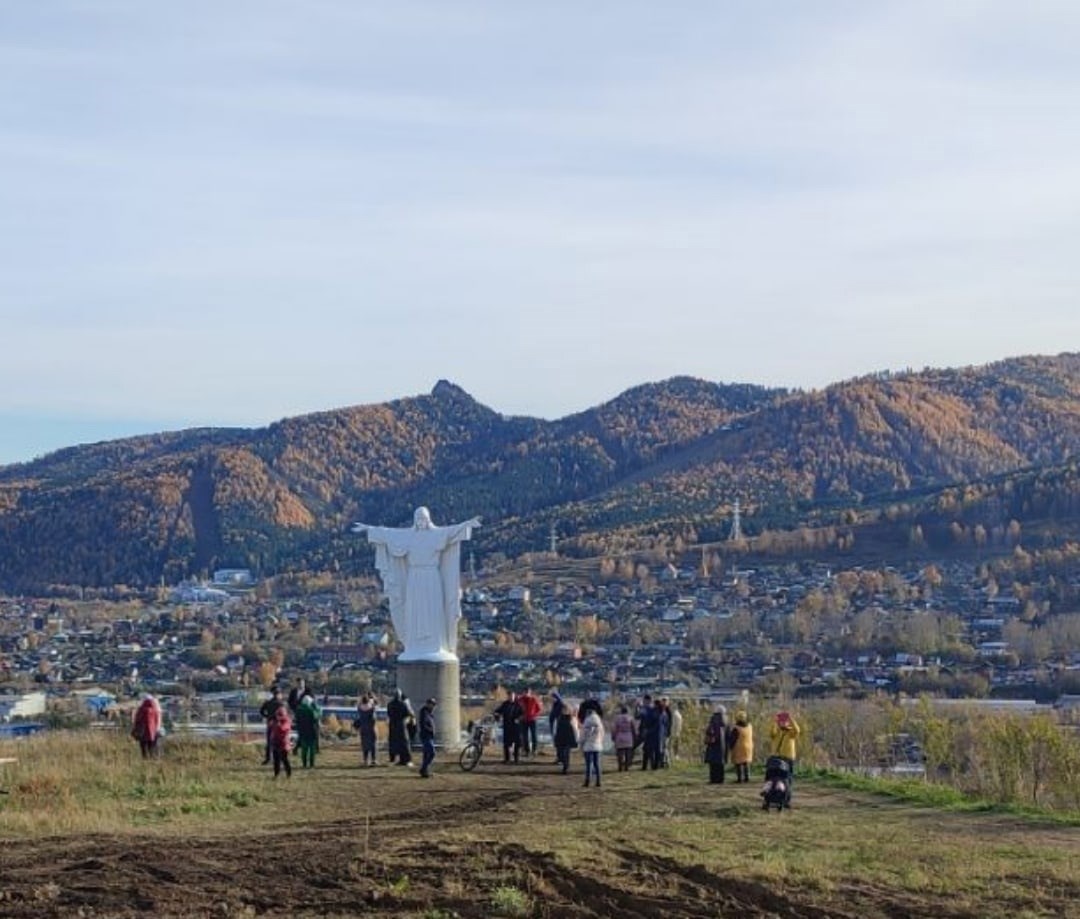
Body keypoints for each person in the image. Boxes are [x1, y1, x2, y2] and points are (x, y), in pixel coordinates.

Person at [353, 508, 480, 662]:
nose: (421, 522)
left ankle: (435, 643)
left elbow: (452, 532)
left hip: (432, 577)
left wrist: (467, 525)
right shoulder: (408, 536)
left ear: (428, 520)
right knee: (415, 609)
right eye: (418, 519)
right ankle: (416, 644)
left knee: (433, 609)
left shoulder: (436, 535)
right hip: (414, 578)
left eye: (423, 519)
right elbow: (389, 534)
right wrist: (369, 529)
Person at [769, 711, 801, 793]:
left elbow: (797, 730)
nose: (782, 723)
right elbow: (771, 733)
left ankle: (787, 794)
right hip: (777, 757)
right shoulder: (777, 732)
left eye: (784, 722)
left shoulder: (791, 733)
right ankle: (776, 792)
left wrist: (791, 719)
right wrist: (775, 722)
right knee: (776, 777)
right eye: (781, 722)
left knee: (788, 777)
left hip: (788, 757)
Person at [494, 691, 524, 764]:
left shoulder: (518, 705)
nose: (511, 697)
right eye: (510, 696)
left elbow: (523, 714)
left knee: (517, 743)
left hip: (516, 727)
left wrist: (519, 719)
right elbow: (497, 711)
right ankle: (507, 759)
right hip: (507, 726)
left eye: (512, 696)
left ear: (515, 696)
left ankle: (516, 759)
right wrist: (497, 716)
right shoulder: (505, 704)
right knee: (506, 744)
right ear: (508, 696)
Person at [386, 689, 415, 767]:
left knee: (393, 742)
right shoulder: (403, 704)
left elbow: (389, 714)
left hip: (392, 725)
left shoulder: (389, 704)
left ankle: (394, 759)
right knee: (405, 742)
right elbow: (409, 713)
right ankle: (406, 760)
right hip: (401, 725)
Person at [259, 686, 285, 765]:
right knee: (279, 742)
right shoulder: (281, 704)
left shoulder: (268, 702)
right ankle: (279, 758)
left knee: (269, 741)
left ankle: (268, 758)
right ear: (278, 694)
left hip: (270, 723)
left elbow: (261, 711)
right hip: (278, 724)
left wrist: (267, 716)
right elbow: (284, 714)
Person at [580, 706, 605, 788]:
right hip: (597, 745)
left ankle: (587, 781)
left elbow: (583, 735)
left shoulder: (587, 722)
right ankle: (599, 781)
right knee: (597, 764)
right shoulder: (599, 722)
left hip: (588, 746)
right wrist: (600, 741)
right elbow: (602, 734)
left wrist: (581, 743)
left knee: (589, 765)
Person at [131, 693, 162, 758]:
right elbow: (158, 720)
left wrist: (135, 728)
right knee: (152, 748)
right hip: (153, 733)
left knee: (144, 748)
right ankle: (153, 760)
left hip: (143, 732)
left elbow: (137, 720)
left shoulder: (141, 709)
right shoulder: (155, 709)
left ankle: (145, 760)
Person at [704, 704, 729, 784]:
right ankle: (721, 779)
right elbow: (728, 734)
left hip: (714, 745)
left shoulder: (713, 719)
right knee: (721, 764)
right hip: (723, 745)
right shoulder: (726, 720)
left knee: (713, 764)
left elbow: (709, 731)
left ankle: (713, 779)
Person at [295, 693, 321, 768]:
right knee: (312, 749)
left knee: (304, 749)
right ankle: (311, 764)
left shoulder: (298, 709)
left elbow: (296, 719)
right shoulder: (311, 710)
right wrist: (316, 707)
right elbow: (317, 716)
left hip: (302, 731)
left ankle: (304, 764)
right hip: (312, 731)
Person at [729, 710, 754, 783]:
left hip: (739, 747)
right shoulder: (749, 726)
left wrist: (730, 746)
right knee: (746, 762)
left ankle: (740, 778)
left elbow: (733, 739)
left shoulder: (736, 728)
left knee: (738, 763)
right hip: (749, 746)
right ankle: (747, 777)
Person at [553, 702, 578, 774]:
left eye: (566, 709)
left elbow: (575, 728)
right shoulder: (559, 718)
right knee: (561, 753)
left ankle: (565, 767)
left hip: (568, 738)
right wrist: (555, 736)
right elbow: (555, 728)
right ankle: (564, 764)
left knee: (566, 753)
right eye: (564, 709)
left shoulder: (571, 718)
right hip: (560, 737)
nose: (565, 711)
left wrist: (576, 738)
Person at [269, 706, 293, 779]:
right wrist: (272, 722)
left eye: (280, 715)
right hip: (275, 741)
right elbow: (271, 727)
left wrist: (278, 724)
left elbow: (284, 729)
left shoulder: (287, 720)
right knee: (276, 760)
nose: (278, 717)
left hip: (283, 742)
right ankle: (276, 774)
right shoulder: (275, 721)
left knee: (284, 759)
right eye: (277, 715)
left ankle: (288, 774)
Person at [354, 694, 378, 767]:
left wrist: (360, 700)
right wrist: (373, 699)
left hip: (363, 729)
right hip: (371, 729)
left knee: (365, 745)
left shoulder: (360, 709)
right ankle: (373, 760)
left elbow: (358, 704)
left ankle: (365, 760)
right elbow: (375, 704)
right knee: (373, 745)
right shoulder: (372, 709)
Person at [612, 704, 636, 772]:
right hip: (628, 736)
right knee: (628, 752)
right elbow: (633, 728)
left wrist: (613, 736)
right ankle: (626, 766)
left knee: (620, 753)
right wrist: (635, 736)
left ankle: (620, 766)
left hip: (619, 736)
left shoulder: (617, 718)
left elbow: (615, 729)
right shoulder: (630, 718)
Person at [519, 687, 542, 756]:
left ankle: (534, 750)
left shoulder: (534, 699)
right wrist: (519, 716)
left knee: (534, 735)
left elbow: (539, 709)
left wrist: (535, 715)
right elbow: (517, 708)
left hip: (532, 720)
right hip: (523, 720)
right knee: (524, 736)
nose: (526, 694)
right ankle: (526, 751)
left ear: (530, 693)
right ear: (523, 692)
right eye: (525, 692)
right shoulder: (520, 700)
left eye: (528, 692)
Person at [418, 697, 437, 778]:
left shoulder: (429, 713)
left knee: (426, 754)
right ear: (428, 704)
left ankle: (425, 771)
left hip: (429, 736)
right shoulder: (424, 712)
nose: (433, 706)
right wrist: (430, 730)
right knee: (432, 753)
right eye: (432, 704)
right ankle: (423, 769)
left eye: (434, 705)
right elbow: (423, 724)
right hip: (426, 735)